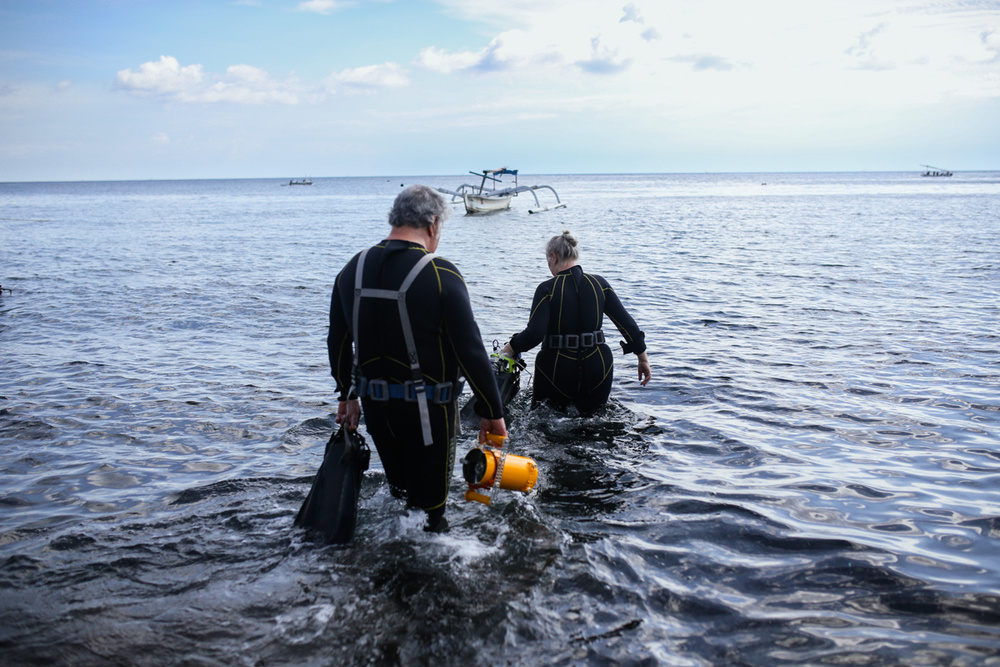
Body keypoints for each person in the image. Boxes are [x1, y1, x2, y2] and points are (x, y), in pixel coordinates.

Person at [327, 185, 507, 532]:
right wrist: (492, 410)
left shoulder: (352, 269)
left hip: (378, 411)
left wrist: (346, 394)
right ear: (433, 224)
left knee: (402, 497)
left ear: (395, 218)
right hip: (428, 417)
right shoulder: (440, 273)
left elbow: (338, 340)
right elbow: (470, 351)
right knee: (431, 512)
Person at [500, 231, 651, 414]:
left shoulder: (547, 289)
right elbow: (627, 324)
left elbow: (534, 334)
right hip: (598, 366)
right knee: (593, 421)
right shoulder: (599, 284)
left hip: (556, 368)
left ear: (553, 257)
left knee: (544, 423)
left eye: (547, 259)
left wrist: (510, 348)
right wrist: (642, 358)